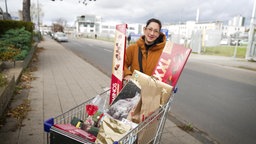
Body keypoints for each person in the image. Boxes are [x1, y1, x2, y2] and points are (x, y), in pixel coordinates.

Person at [123, 18, 166, 82]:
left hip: (152, 90)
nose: (152, 33)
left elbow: (168, 74)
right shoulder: (132, 48)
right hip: (134, 88)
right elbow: (122, 64)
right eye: (150, 29)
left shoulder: (164, 53)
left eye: (155, 31)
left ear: (158, 34)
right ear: (145, 30)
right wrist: (127, 74)